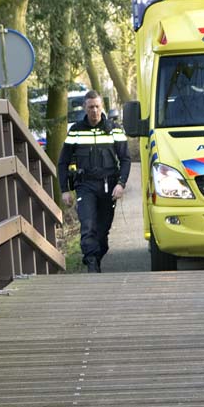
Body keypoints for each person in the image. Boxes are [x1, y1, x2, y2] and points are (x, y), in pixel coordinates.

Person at [58, 90, 130, 273]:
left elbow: (126, 159)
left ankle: (96, 256)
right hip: (85, 186)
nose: (95, 111)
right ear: (85, 108)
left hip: (109, 186)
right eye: (91, 107)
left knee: (102, 232)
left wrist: (121, 184)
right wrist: (64, 189)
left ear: (102, 107)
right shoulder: (75, 131)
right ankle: (92, 265)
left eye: (97, 106)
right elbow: (63, 162)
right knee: (88, 225)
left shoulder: (114, 129)